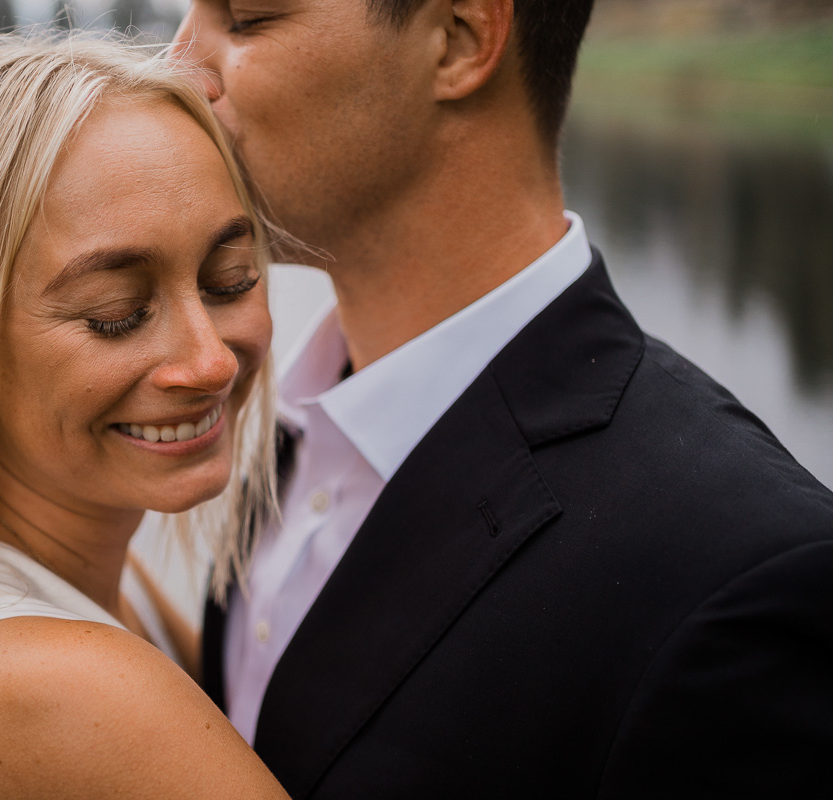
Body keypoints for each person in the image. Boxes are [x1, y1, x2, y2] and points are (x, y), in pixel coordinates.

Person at [171, 0, 833, 796]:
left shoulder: (737, 576)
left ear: (459, 38)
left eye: (245, 20)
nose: (177, 68)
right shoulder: (288, 420)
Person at [0, 33, 290, 799]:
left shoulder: (94, 573)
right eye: (118, 313)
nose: (211, 362)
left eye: (229, 279)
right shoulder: (56, 688)